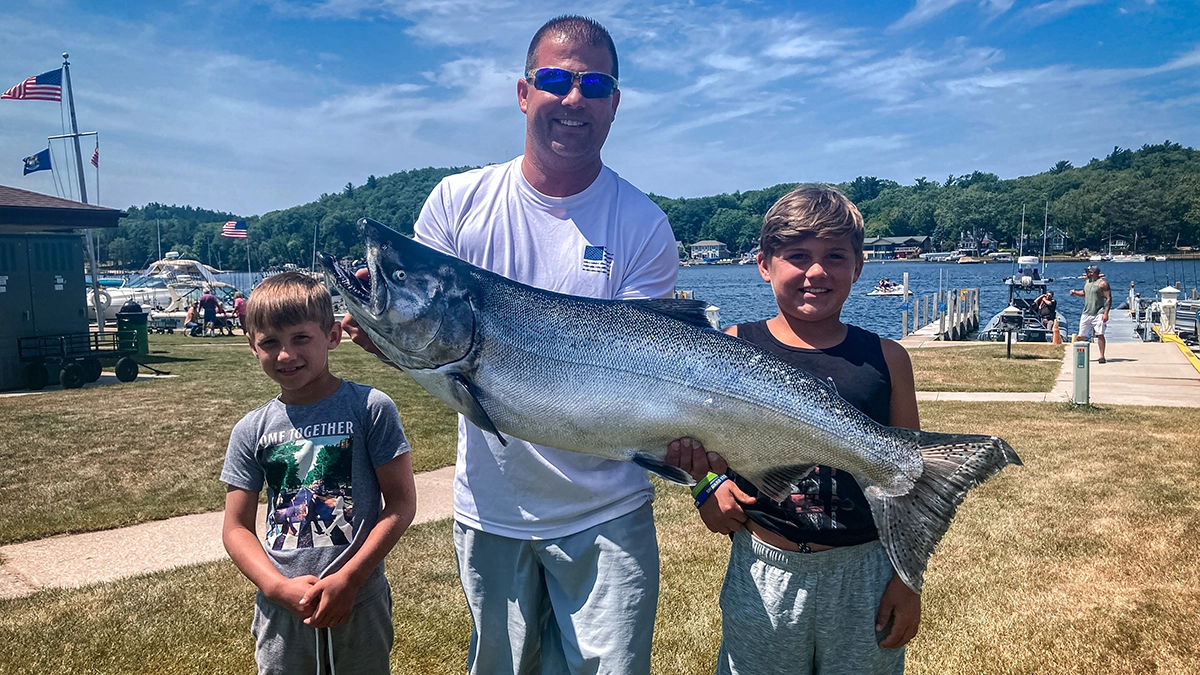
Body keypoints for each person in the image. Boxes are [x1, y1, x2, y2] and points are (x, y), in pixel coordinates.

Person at [341, 15, 678, 675]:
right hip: (493, 510)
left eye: (593, 85)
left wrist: (687, 448)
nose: (573, 98)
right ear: (524, 93)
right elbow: (433, 343)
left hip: (609, 510)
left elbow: (646, 378)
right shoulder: (456, 203)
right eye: (555, 80)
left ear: (614, 103)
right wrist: (382, 333)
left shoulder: (643, 224)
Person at [666, 185, 922, 674]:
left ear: (858, 266)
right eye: (798, 256)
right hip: (765, 565)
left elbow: (909, 485)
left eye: (835, 256)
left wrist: (907, 581)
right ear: (765, 264)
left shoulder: (888, 359)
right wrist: (705, 488)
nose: (816, 271)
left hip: (865, 572)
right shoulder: (732, 345)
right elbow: (696, 442)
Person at [221, 272, 417, 675]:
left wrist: (351, 578)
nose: (285, 355)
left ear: (332, 336)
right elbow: (236, 527)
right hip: (282, 607)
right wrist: (275, 587)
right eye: (269, 343)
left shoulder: (370, 408)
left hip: (358, 599)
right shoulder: (251, 429)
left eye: (300, 338)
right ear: (252, 345)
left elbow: (400, 504)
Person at [1069, 264, 1111, 363]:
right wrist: (1075, 293)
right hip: (1086, 312)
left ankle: (1102, 356)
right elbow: (1084, 293)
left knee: (1100, 334)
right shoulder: (1087, 282)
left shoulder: (1102, 284)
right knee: (1081, 336)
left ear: (1093, 273)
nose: (1086, 273)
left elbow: (1108, 298)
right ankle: (1080, 356)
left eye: (1088, 271)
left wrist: (1106, 313)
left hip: (1098, 312)